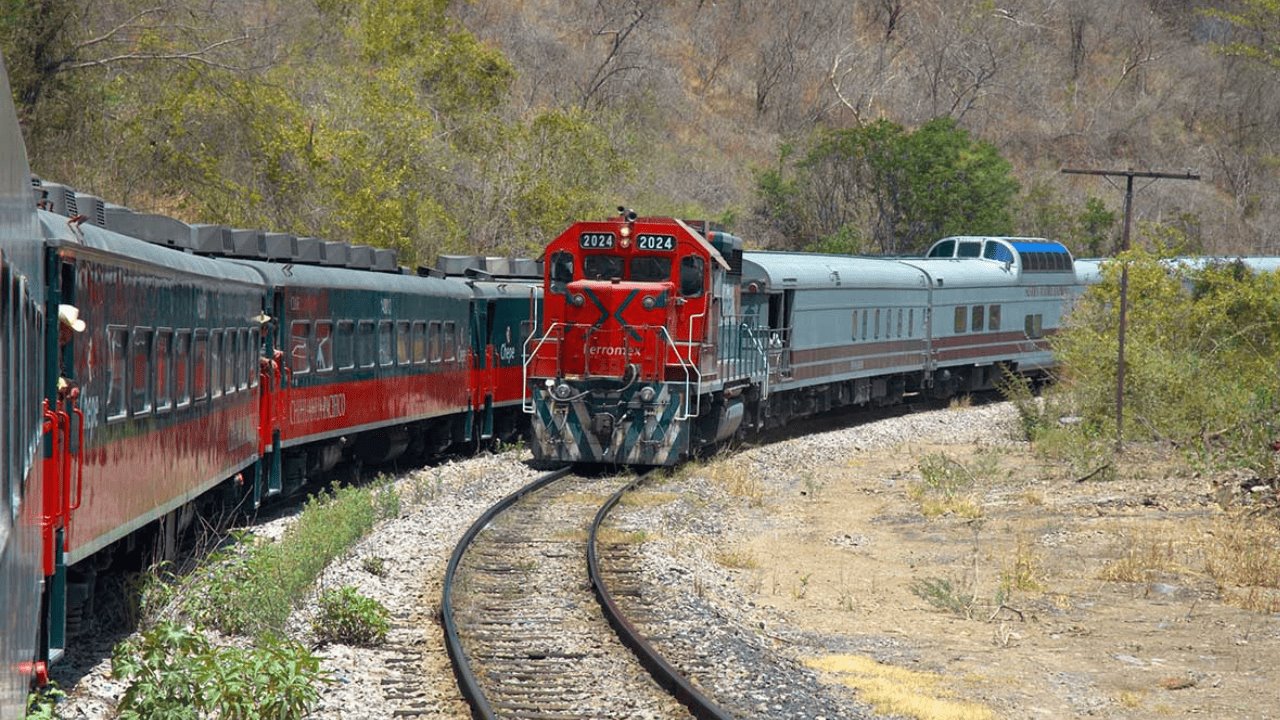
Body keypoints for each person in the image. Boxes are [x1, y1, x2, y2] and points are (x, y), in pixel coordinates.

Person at [57, 303, 85, 397]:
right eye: (69, 330)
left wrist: (69, 384)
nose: (70, 335)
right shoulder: (55, 348)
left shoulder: (59, 348)